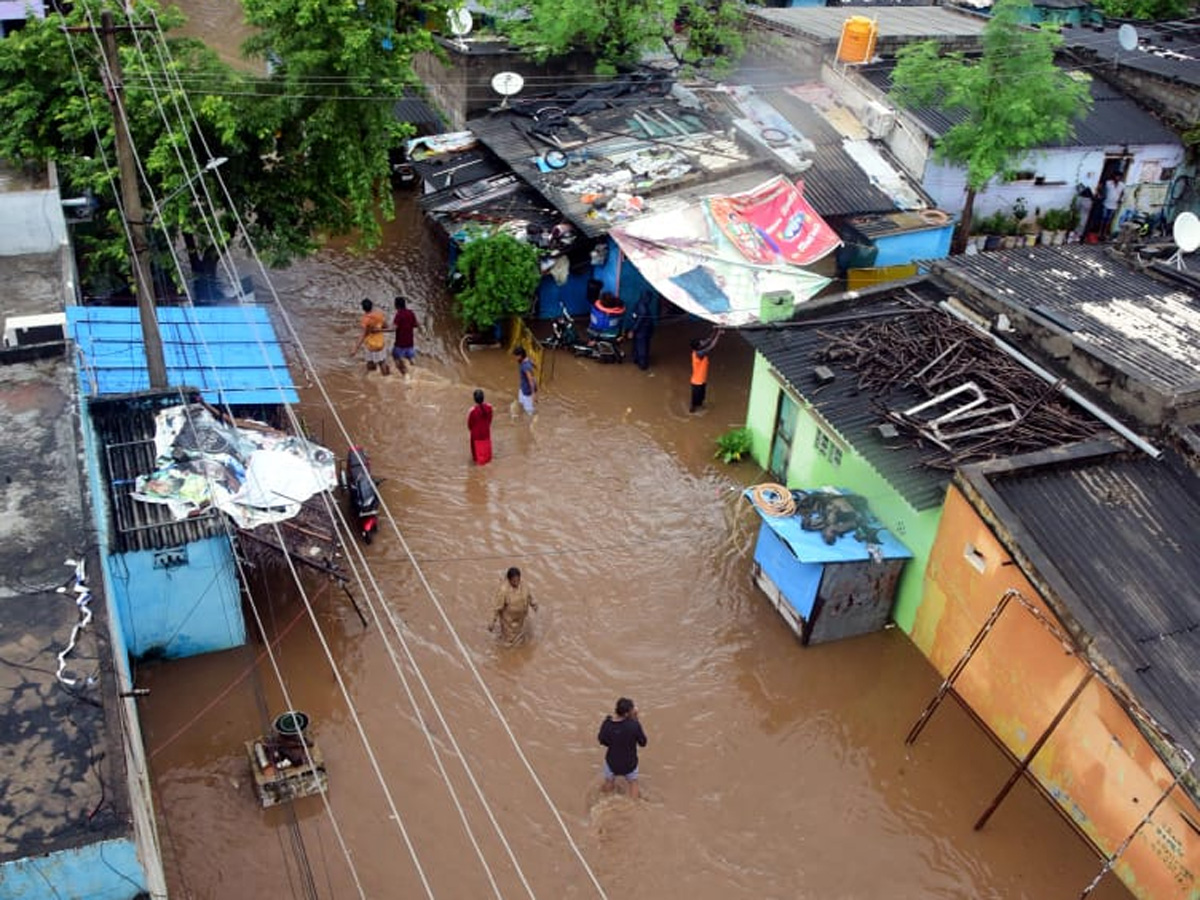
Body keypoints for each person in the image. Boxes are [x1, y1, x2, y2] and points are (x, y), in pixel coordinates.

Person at [598, 697, 648, 800]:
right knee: (633, 782)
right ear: (626, 714)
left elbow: (602, 740)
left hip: (612, 762)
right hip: (629, 764)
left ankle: (601, 798)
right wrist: (636, 720)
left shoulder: (607, 724)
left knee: (609, 781)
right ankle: (633, 805)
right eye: (632, 709)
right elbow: (643, 743)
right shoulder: (634, 725)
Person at [489, 566, 537, 645]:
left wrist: (533, 604)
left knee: (523, 637)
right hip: (508, 621)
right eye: (514, 581)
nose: (516, 583)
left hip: (521, 618)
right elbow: (497, 608)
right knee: (509, 642)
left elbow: (529, 596)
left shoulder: (524, 586)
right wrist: (492, 622)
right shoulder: (503, 591)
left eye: (518, 580)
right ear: (509, 580)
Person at [351, 298, 390, 375]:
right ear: (372, 306)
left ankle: (370, 378)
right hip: (380, 343)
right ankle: (387, 376)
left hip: (371, 345)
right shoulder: (379, 315)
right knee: (382, 362)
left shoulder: (365, 320)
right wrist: (378, 328)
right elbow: (386, 326)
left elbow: (363, 335)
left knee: (370, 362)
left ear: (363, 308)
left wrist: (355, 349)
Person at [689, 327, 722, 413]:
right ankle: (692, 409)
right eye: (701, 342)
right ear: (699, 346)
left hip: (702, 380)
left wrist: (716, 330)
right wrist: (718, 334)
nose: (703, 341)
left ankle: (698, 407)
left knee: (701, 398)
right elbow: (712, 346)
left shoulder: (698, 350)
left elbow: (709, 340)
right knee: (695, 400)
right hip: (697, 382)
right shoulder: (699, 353)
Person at [391, 296, 420, 377]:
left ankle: (406, 375)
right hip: (410, 343)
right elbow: (416, 324)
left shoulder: (399, 314)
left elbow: (394, 328)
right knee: (411, 359)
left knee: (396, 358)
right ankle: (416, 372)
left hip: (400, 344)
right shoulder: (411, 313)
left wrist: (380, 330)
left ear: (396, 305)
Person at [629, 293, 655, 371]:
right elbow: (639, 322)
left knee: (639, 346)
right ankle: (641, 363)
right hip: (643, 331)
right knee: (642, 347)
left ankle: (639, 361)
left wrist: (632, 330)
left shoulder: (639, 306)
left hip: (641, 331)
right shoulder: (644, 309)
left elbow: (637, 321)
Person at [467, 389, 493, 465]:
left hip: (476, 434)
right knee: (486, 453)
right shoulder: (489, 407)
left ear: (474, 399)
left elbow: (469, 424)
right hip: (486, 432)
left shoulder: (472, 410)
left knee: (476, 456)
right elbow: (490, 419)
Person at [513, 346, 537, 416]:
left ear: (520, 356)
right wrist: (535, 367)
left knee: (529, 412)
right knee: (521, 405)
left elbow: (530, 380)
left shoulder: (525, 367)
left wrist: (533, 393)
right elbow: (532, 362)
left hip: (527, 392)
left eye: (516, 356)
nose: (515, 358)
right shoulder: (526, 360)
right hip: (522, 388)